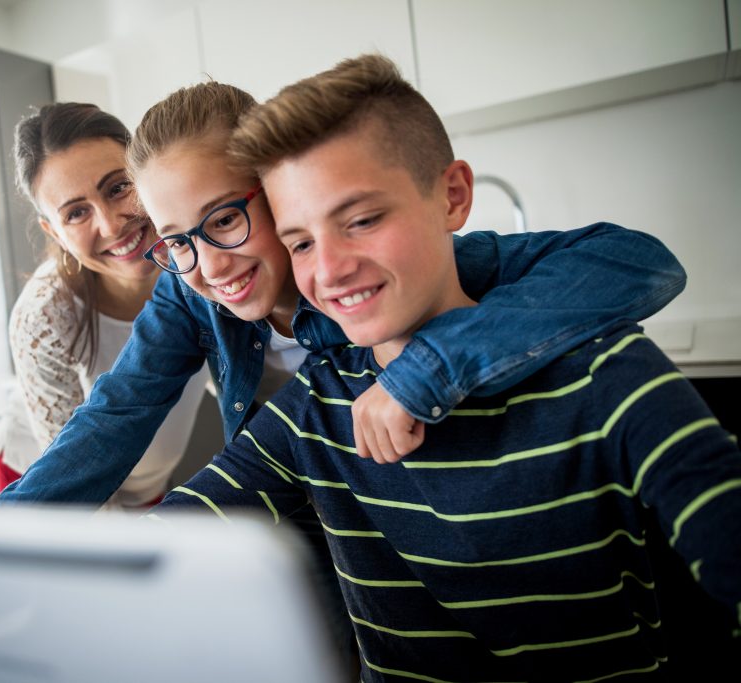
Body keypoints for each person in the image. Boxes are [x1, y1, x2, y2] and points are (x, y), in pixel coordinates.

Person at [151, 54, 741, 681]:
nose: (329, 269)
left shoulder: (607, 373)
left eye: (362, 220)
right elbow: (172, 534)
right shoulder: (313, 409)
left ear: (454, 197)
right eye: (300, 242)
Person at [0, 82, 686, 507]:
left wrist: (429, 366)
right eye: (179, 240)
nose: (206, 260)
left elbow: (639, 262)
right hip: (311, 499)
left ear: (275, 193)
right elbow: (113, 418)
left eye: (227, 219)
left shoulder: (387, 273)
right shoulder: (192, 292)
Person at [0, 102, 207, 508]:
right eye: (76, 213)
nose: (111, 225)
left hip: (149, 478)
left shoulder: (194, 256)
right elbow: (75, 475)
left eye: (117, 187)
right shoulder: (44, 317)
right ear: (53, 232)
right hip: (49, 484)